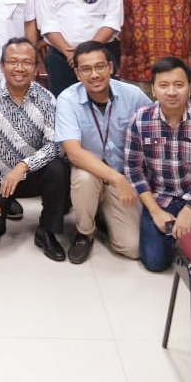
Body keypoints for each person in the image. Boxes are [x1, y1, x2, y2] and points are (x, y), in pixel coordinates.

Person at [124, 57, 191, 272]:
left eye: (179, 85)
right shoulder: (140, 120)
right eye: (163, 85)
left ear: (190, 88)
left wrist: (190, 208)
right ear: (153, 89)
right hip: (160, 197)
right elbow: (133, 171)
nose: (171, 92)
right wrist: (155, 212)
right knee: (155, 263)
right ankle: (180, 235)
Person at [0, 37, 69, 261]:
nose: (19, 68)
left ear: (35, 68)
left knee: (59, 167)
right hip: (0, 178)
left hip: (34, 175)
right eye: (13, 62)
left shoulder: (46, 98)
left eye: (27, 62)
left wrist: (24, 166)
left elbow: (55, 145)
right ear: (2, 66)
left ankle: (46, 230)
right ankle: (1, 216)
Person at [55, 40, 151, 264]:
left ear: (111, 67)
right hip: (92, 172)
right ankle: (85, 233)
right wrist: (117, 179)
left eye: (100, 67)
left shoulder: (133, 95)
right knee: (84, 177)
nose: (94, 74)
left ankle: (104, 214)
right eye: (86, 69)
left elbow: (155, 128)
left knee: (132, 248)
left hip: (123, 176)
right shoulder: (68, 100)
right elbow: (74, 153)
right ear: (77, 73)